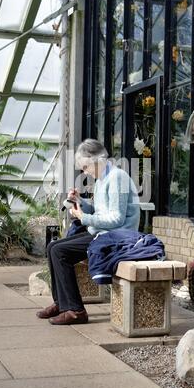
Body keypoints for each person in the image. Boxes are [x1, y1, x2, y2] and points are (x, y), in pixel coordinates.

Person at [36, 139, 140, 325]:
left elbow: (116, 219)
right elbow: (100, 211)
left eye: (84, 167)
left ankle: (76, 311)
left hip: (117, 237)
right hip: (102, 233)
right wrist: (80, 201)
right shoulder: (102, 180)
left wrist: (83, 217)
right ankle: (61, 303)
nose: (84, 172)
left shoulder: (117, 177)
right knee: (53, 247)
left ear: (97, 160)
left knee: (59, 251)